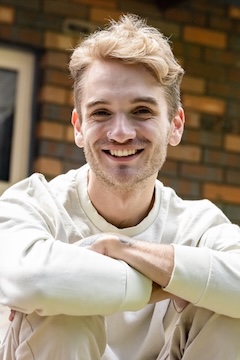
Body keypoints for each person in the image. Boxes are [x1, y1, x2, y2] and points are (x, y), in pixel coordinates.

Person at [0, 13, 240, 360]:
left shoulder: (198, 226)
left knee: (230, 313)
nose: (121, 132)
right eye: (101, 113)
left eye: (142, 111)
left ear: (175, 124)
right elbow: (31, 279)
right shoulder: (33, 203)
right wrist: (170, 282)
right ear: (78, 126)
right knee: (64, 313)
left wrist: (125, 250)